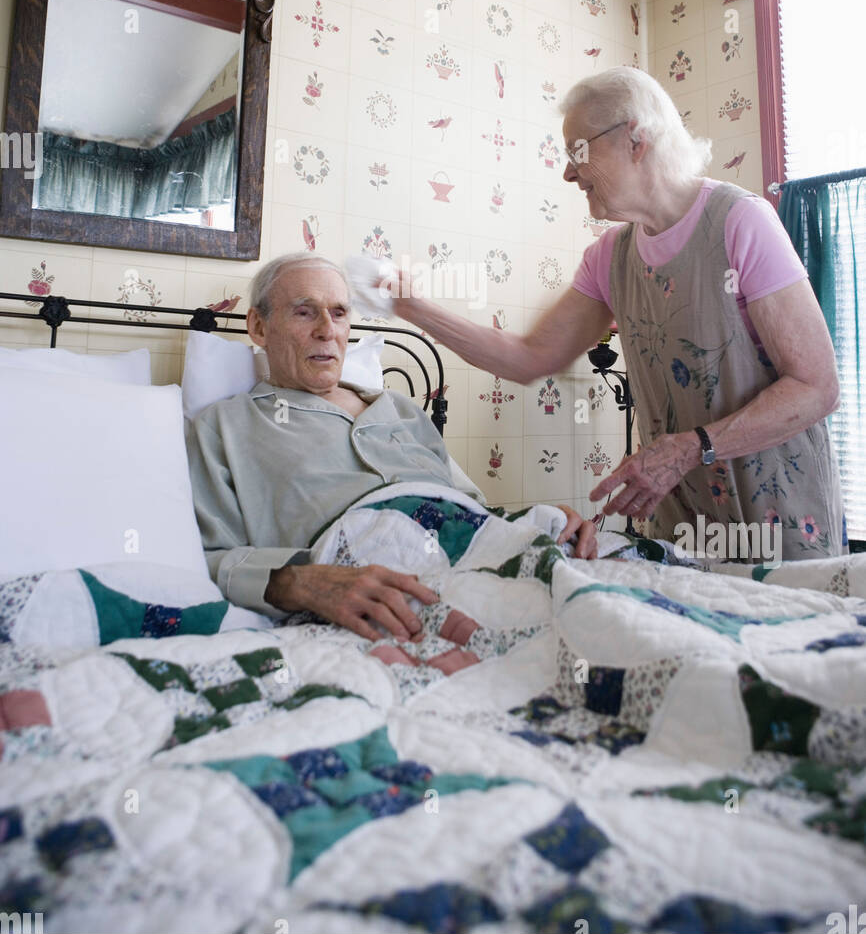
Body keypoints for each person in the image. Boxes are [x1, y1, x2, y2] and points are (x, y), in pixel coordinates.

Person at [386, 66, 845, 561]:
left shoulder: (740, 222)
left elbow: (816, 387)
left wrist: (690, 447)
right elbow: (526, 359)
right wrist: (410, 305)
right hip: (687, 531)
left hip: (781, 520)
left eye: (577, 152)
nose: (567, 172)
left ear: (637, 139)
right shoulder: (608, 258)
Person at [184, 254, 598, 639]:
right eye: (305, 312)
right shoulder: (224, 427)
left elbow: (474, 513)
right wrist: (299, 581)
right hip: (378, 591)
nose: (328, 330)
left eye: (340, 313)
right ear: (258, 327)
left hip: (477, 567)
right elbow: (205, 558)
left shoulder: (401, 409)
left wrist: (540, 522)